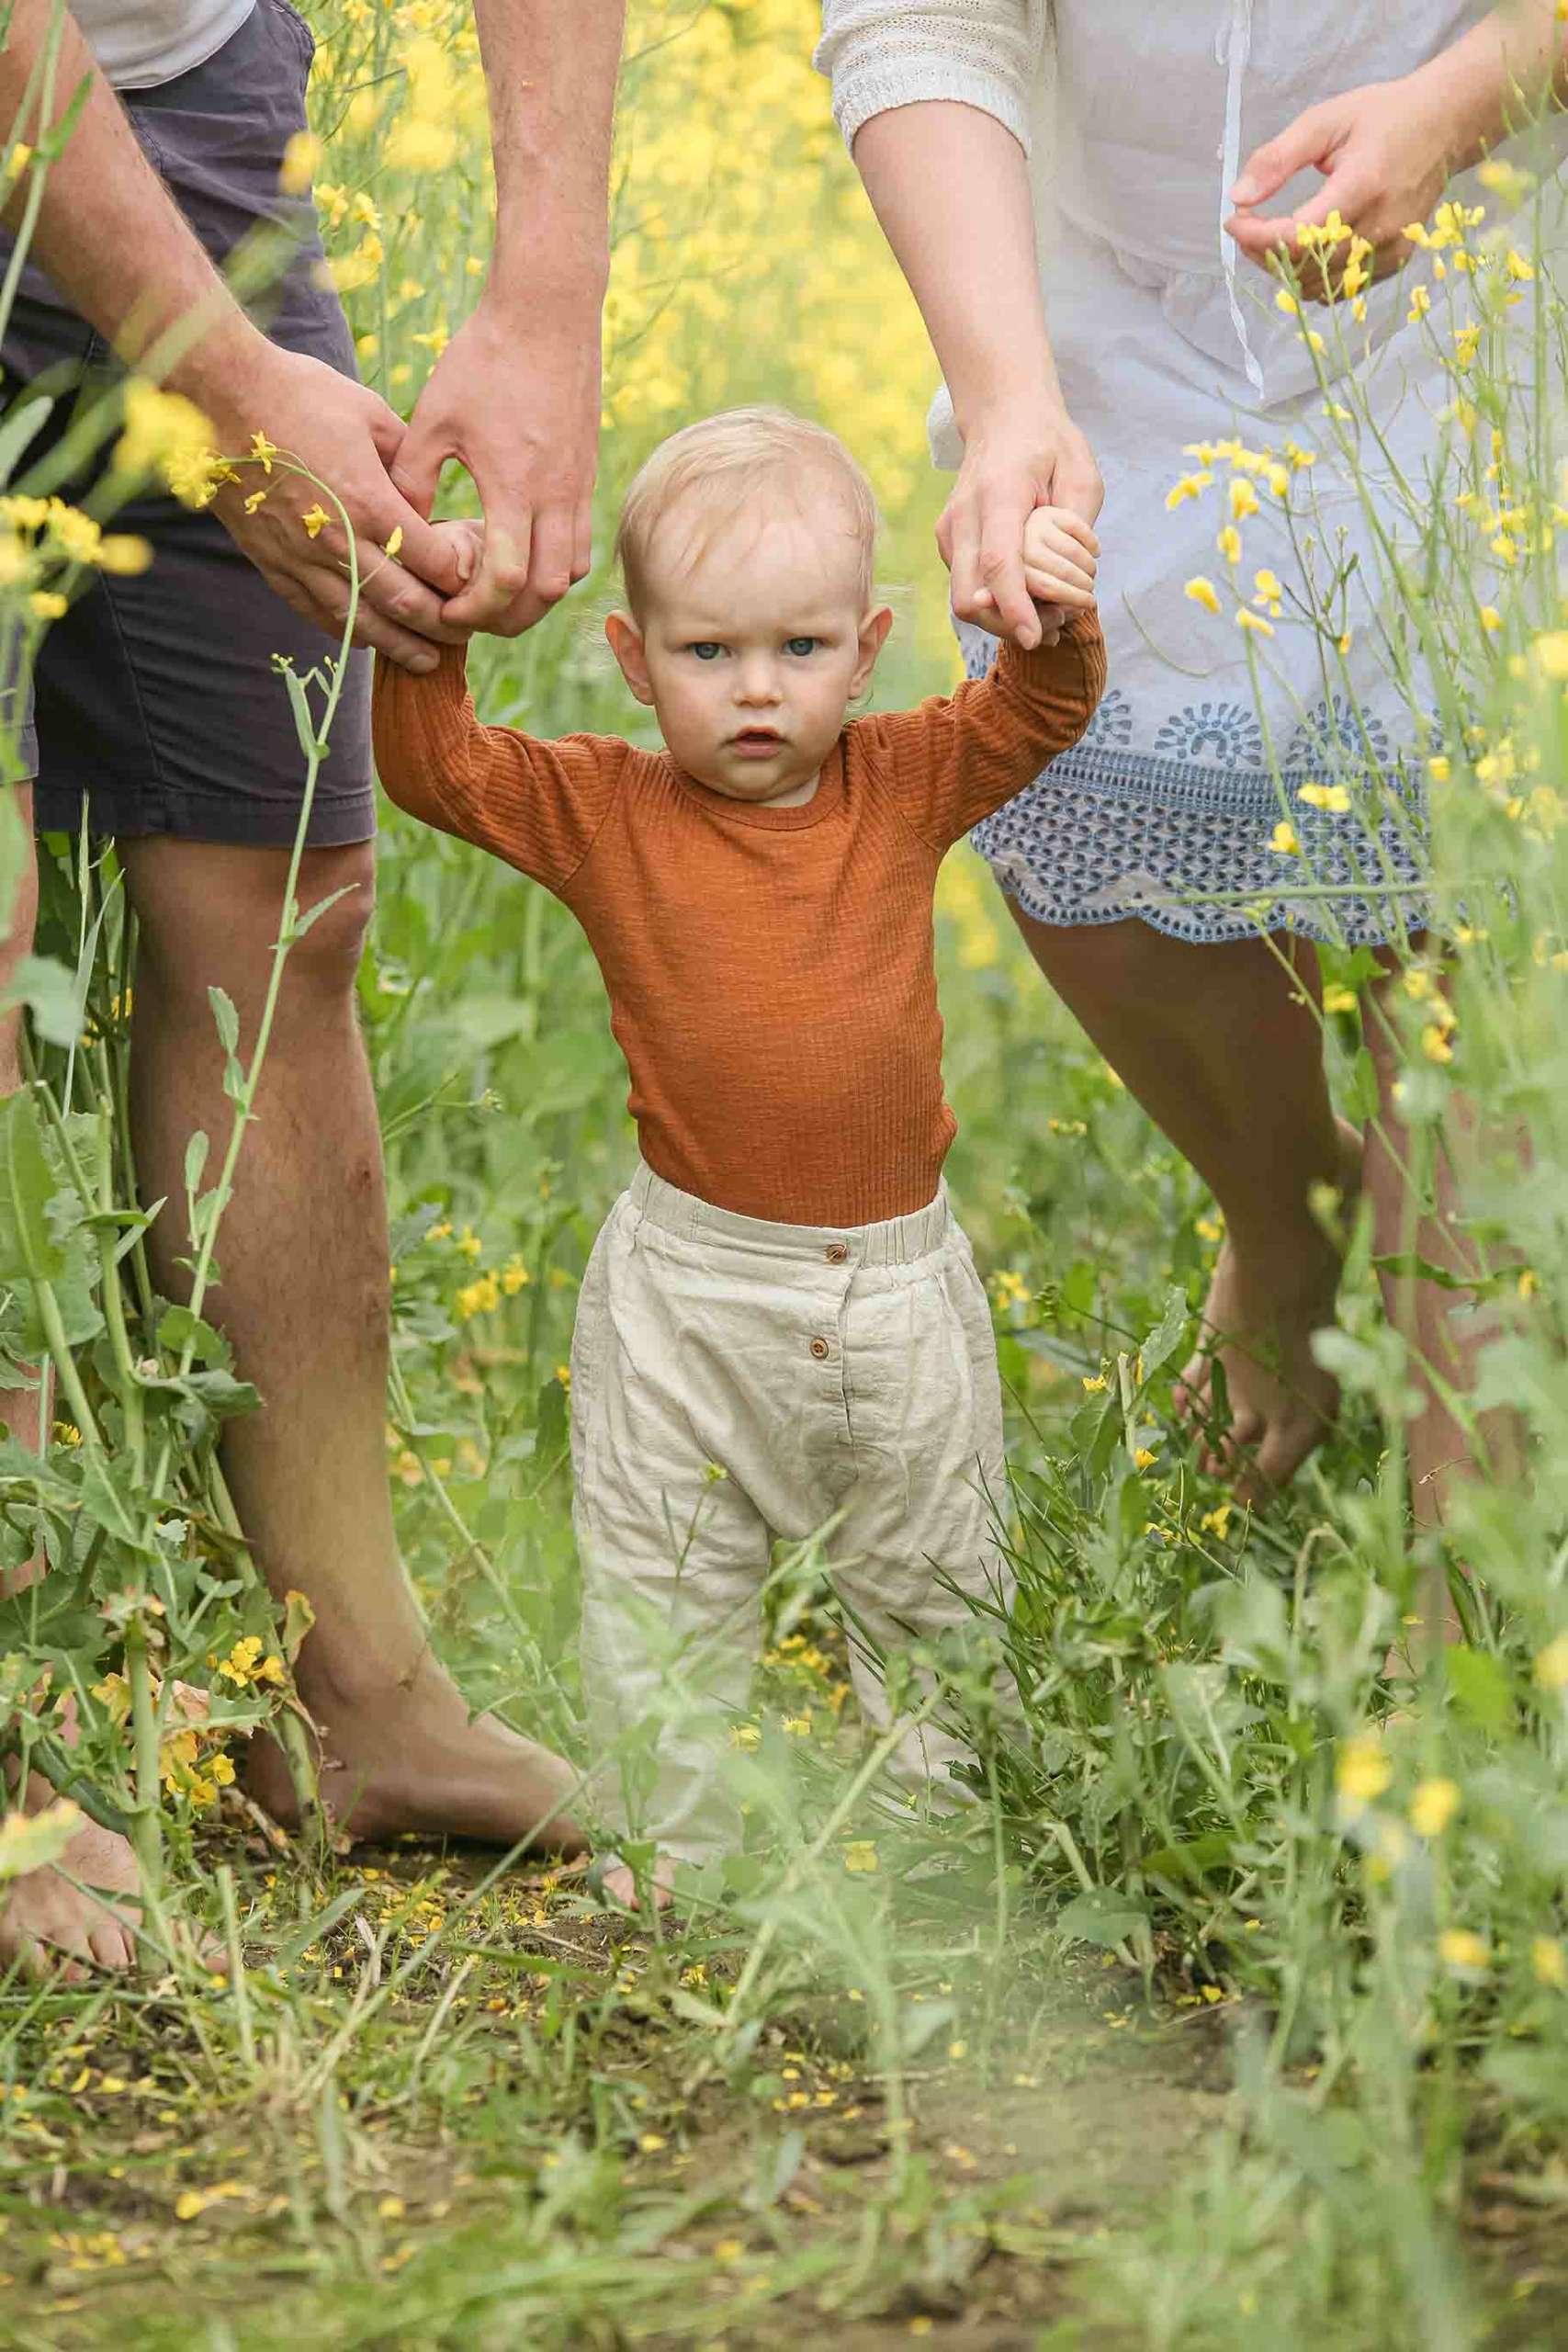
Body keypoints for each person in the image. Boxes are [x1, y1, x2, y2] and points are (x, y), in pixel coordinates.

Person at [0, 0, 625, 1980]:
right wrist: (211, 365)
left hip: (181, 106)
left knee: (288, 904)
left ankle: (349, 1691)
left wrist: (544, 299)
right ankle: (12, 1727)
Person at [814, 2, 1562, 1541]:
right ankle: (1293, 1211)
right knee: (1079, 812)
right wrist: (1012, 398)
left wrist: (1467, 98)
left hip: (1496, 268)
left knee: (1473, 949)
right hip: (1122, 300)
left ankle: (1460, 1647)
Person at [373, 408, 1105, 1905]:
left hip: (892, 1294)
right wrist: (429, 630)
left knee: (933, 1591)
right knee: (664, 1591)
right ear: (637, 665)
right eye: (707, 656)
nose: (758, 691)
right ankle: (676, 1859)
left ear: (869, 645)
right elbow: (438, 773)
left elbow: (1039, 712)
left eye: (801, 651)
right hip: (691, 1296)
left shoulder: (903, 782)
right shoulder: (606, 810)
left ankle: (940, 1859)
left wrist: (1048, 608)